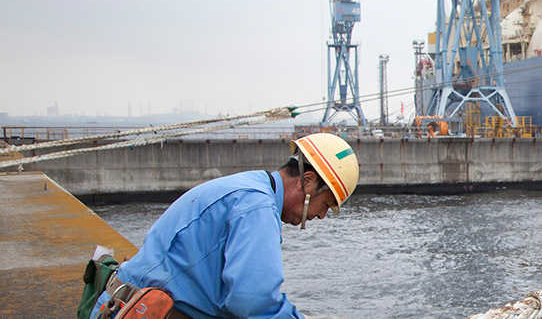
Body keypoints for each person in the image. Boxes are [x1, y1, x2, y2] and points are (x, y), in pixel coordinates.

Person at [88, 133, 359, 319]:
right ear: (307, 181)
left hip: (122, 305)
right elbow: (251, 300)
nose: (322, 215)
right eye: (326, 204)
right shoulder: (257, 206)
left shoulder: (248, 187)